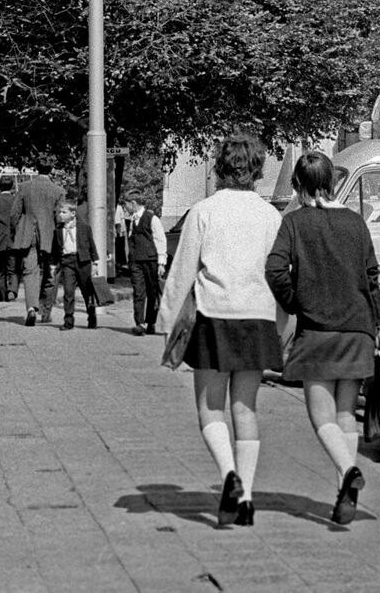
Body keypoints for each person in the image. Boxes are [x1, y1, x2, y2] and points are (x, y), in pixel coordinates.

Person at [160, 142, 284, 527]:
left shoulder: (204, 211)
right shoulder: (270, 216)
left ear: (219, 167)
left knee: (210, 409)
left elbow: (182, 271)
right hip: (257, 318)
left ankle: (228, 474)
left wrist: (167, 325)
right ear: (258, 169)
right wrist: (280, 328)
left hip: (214, 316)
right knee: (245, 410)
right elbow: (280, 274)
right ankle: (245, 498)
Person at [267, 150, 380, 528]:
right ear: (332, 183)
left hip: (318, 333)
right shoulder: (356, 222)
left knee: (321, 419)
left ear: (298, 186)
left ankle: (348, 471)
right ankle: (342, 494)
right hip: (358, 330)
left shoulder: (296, 223)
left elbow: (274, 270)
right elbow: (371, 279)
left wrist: (298, 301)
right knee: (343, 416)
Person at [13, 171, 62, 326]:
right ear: (51, 170)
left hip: (28, 235)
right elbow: (59, 217)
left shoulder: (24, 187)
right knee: (50, 273)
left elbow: (14, 214)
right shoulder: (58, 190)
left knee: (30, 272)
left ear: (36, 169)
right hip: (50, 236)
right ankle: (46, 311)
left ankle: (31, 308)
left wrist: (17, 231)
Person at [49, 197, 100, 330]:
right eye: (60, 212)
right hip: (67, 262)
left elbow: (91, 245)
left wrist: (95, 262)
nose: (60, 214)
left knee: (87, 291)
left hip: (82, 262)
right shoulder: (58, 229)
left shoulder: (84, 227)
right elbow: (55, 249)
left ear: (73, 213)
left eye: (63, 212)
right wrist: (53, 265)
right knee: (68, 292)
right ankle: (68, 320)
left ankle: (91, 315)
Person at [126, 191, 168, 335]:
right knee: (138, 291)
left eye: (126, 204)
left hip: (151, 260)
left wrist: (161, 263)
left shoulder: (152, 218)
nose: (125, 207)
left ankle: (151, 322)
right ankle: (139, 323)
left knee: (152, 292)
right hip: (136, 261)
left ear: (133, 203)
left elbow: (160, 239)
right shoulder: (132, 220)